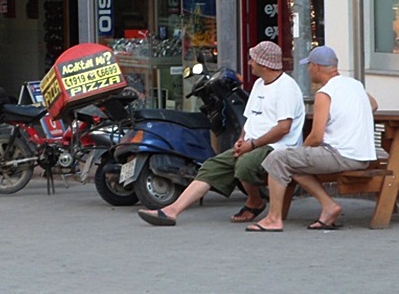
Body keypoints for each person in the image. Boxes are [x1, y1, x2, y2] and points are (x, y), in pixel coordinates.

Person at [138, 41, 305, 226]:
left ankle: (255, 201)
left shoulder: (286, 88)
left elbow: (284, 128)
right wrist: (242, 140)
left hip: (277, 146)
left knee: (245, 164)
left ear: (264, 64)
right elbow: (250, 119)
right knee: (211, 166)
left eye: (253, 60)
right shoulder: (259, 84)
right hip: (253, 143)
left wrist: (252, 145)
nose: (249, 63)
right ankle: (171, 211)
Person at [246, 46, 378, 232]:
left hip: (340, 155)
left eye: (308, 66)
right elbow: (373, 105)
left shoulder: (325, 93)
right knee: (294, 163)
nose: (307, 70)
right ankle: (329, 206)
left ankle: (273, 219)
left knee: (278, 158)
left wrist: (301, 151)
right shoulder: (354, 85)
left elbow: (316, 136)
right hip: (363, 156)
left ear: (315, 66)